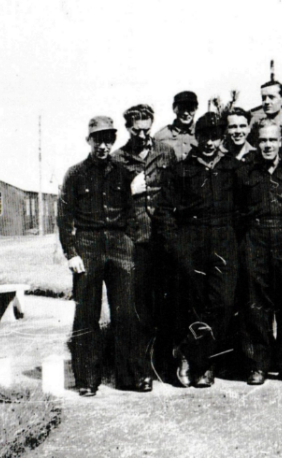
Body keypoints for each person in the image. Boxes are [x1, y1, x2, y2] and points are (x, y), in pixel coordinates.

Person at [57, 116, 150, 396]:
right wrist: (71, 253)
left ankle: (130, 376)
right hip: (88, 243)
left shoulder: (123, 173)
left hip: (119, 244)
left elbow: (133, 213)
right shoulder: (75, 174)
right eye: (98, 139)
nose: (103, 145)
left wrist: (130, 244)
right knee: (86, 313)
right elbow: (64, 217)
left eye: (109, 139)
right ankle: (87, 379)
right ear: (88, 140)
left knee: (126, 313)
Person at [155, 112, 239, 388]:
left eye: (215, 137)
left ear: (222, 138)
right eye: (205, 136)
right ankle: (199, 365)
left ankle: (194, 355)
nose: (210, 143)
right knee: (193, 306)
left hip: (224, 242)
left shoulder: (233, 168)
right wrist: (177, 249)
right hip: (191, 243)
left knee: (224, 305)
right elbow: (164, 214)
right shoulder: (181, 170)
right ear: (197, 137)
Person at [238, 119, 282, 385]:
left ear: (281, 142)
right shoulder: (245, 171)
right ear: (256, 143)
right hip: (255, 238)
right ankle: (258, 364)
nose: (267, 145)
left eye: (272, 140)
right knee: (256, 304)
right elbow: (239, 209)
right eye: (262, 140)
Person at [111, 104, 177, 381]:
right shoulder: (117, 159)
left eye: (147, 128)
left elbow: (175, 192)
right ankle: (139, 369)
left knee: (166, 304)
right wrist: (128, 191)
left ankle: (165, 365)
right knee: (137, 308)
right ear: (127, 128)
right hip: (133, 240)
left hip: (162, 239)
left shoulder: (166, 153)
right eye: (136, 129)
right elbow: (109, 204)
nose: (143, 134)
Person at [154, 91, 199, 161]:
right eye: (181, 108)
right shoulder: (160, 136)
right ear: (174, 109)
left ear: (196, 109)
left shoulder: (203, 135)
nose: (186, 113)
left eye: (190, 109)